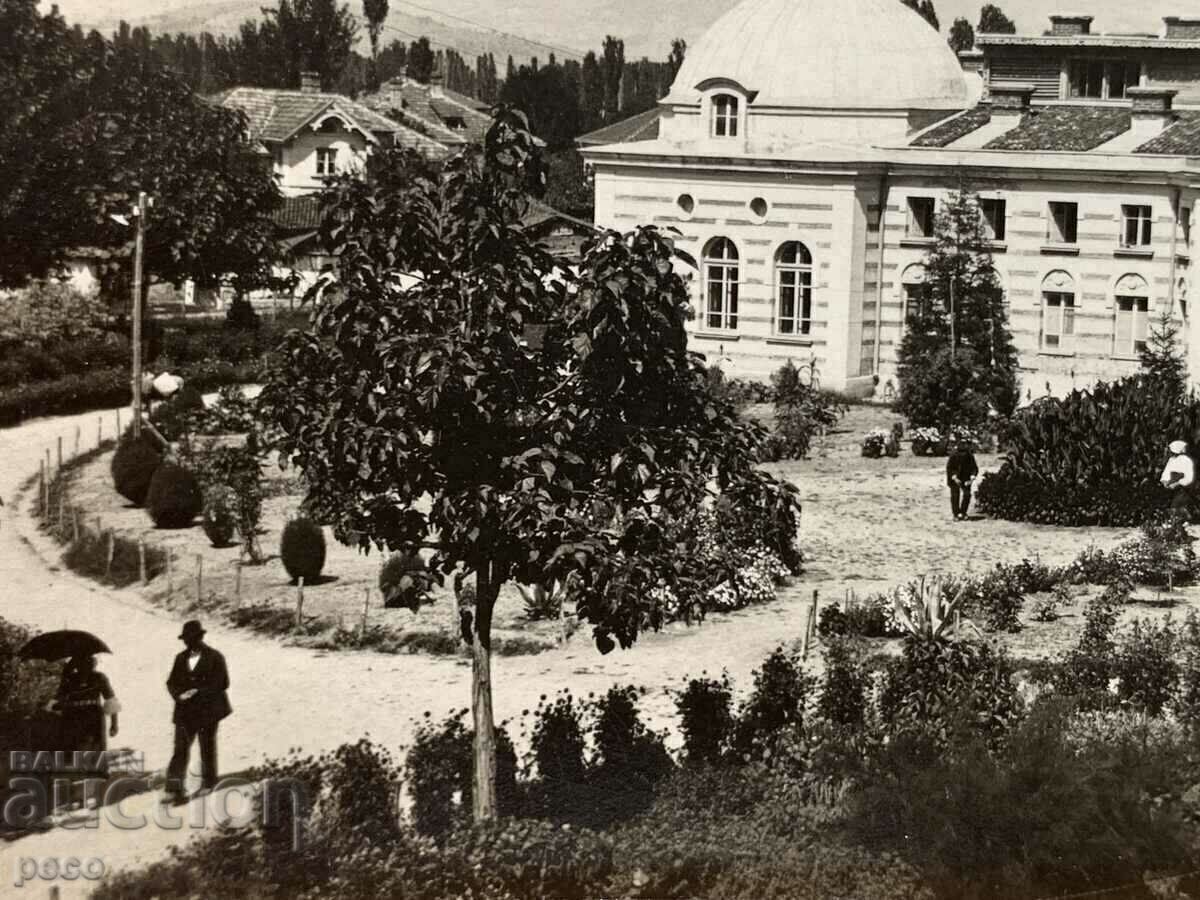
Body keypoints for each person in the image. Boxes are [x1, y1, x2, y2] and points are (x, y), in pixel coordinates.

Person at [164, 620, 231, 804]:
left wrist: (198, 692)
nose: (188, 643)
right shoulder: (180, 658)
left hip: (208, 711)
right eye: (186, 640)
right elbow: (171, 683)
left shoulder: (215, 657)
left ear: (200, 638)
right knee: (180, 749)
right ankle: (173, 789)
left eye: (192, 639)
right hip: (185, 711)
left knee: (207, 747)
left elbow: (223, 682)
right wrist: (179, 695)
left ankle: (208, 783)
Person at [53, 654, 119, 777]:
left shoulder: (99, 677)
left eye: (88, 663)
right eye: (80, 664)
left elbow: (110, 700)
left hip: (93, 714)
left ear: (93, 664)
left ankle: (98, 770)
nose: (84, 667)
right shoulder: (70, 679)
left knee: (95, 744)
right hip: (73, 715)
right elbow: (59, 698)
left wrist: (114, 724)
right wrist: (65, 674)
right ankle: (76, 772)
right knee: (74, 746)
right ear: (76, 665)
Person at [1160, 439, 1195, 523]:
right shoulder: (1171, 460)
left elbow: (1189, 477)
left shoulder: (1187, 460)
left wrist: (1177, 483)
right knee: (1168, 507)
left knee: (1176, 507)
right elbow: (1166, 473)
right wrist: (1165, 481)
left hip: (1183, 488)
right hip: (1171, 487)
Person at [945, 437, 979, 521]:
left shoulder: (970, 456)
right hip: (954, 477)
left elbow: (974, 468)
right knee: (955, 495)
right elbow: (949, 468)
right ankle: (956, 514)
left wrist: (971, 478)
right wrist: (954, 477)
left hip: (966, 477)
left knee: (967, 494)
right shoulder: (953, 455)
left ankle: (963, 512)